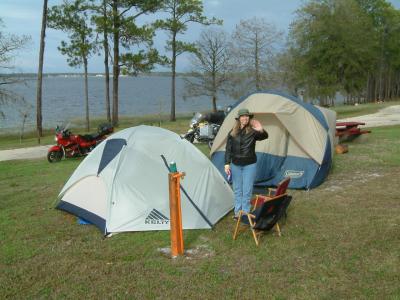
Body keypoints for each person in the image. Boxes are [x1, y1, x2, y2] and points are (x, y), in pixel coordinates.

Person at [224, 108, 268, 218]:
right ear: (239, 118)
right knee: (237, 190)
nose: (245, 118)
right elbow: (228, 149)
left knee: (247, 190)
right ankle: (238, 213)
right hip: (236, 165)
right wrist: (227, 163)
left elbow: (264, 136)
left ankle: (245, 212)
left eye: (247, 116)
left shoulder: (253, 132)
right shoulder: (232, 133)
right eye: (243, 116)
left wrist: (261, 129)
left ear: (249, 118)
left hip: (250, 165)